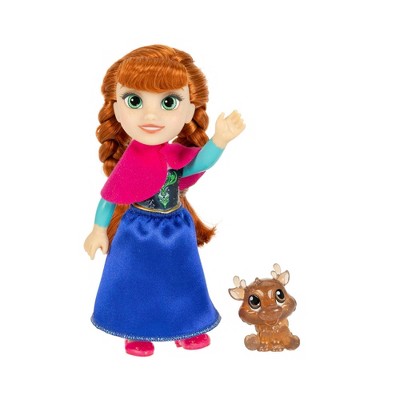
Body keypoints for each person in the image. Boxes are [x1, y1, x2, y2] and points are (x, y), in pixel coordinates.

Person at [84, 44, 245, 357]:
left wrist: (220, 140)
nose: (151, 115)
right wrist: (98, 230)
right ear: (116, 108)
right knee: (136, 281)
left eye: (168, 102)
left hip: (176, 225)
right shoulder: (130, 162)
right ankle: (135, 330)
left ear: (188, 111)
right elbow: (109, 197)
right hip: (138, 230)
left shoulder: (174, 154)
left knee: (182, 278)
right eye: (135, 101)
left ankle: (186, 325)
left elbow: (198, 163)